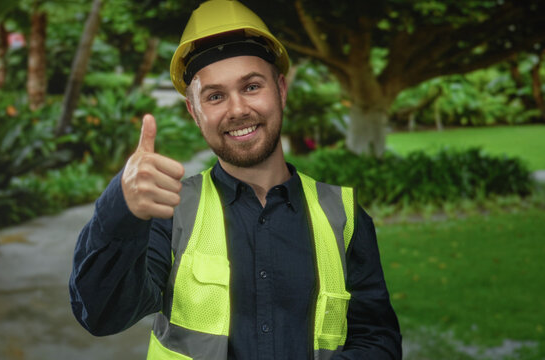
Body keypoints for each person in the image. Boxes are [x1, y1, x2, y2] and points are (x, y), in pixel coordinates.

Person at [69, 0, 402, 359]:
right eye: (215, 96)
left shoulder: (345, 216)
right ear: (195, 113)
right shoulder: (170, 213)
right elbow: (102, 315)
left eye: (251, 86)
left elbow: (377, 340)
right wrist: (121, 207)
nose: (238, 110)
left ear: (281, 90)